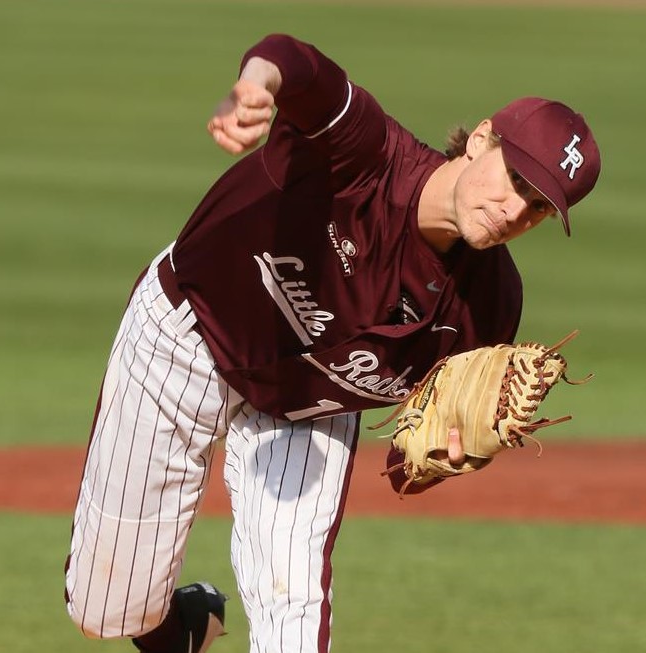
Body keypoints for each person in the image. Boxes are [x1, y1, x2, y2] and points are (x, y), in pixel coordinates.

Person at [64, 33, 601, 653]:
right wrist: (258, 85)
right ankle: (183, 630)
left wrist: (441, 459)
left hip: (303, 411)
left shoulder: (490, 306)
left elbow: (408, 453)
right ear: (481, 139)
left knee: (292, 612)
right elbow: (293, 60)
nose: (514, 210)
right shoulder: (363, 153)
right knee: (108, 608)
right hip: (190, 337)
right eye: (514, 179)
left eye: (537, 207)